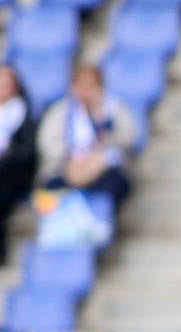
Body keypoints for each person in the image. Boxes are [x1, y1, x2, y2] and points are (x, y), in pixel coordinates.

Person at [36, 64, 138, 208]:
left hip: (102, 171)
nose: (86, 92)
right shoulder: (60, 111)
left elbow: (128, 138)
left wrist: (102, 125)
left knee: (111, 187)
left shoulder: (114, 109)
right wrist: (70, 162)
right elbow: (48, 144)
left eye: (91, 86)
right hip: (65, 169)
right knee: (52, 189)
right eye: (81, 86)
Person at [0, 65, 38, 266]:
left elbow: (28, 153)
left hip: (13, 176)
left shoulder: (23, 114)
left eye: (6, 83)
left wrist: (7, 157)